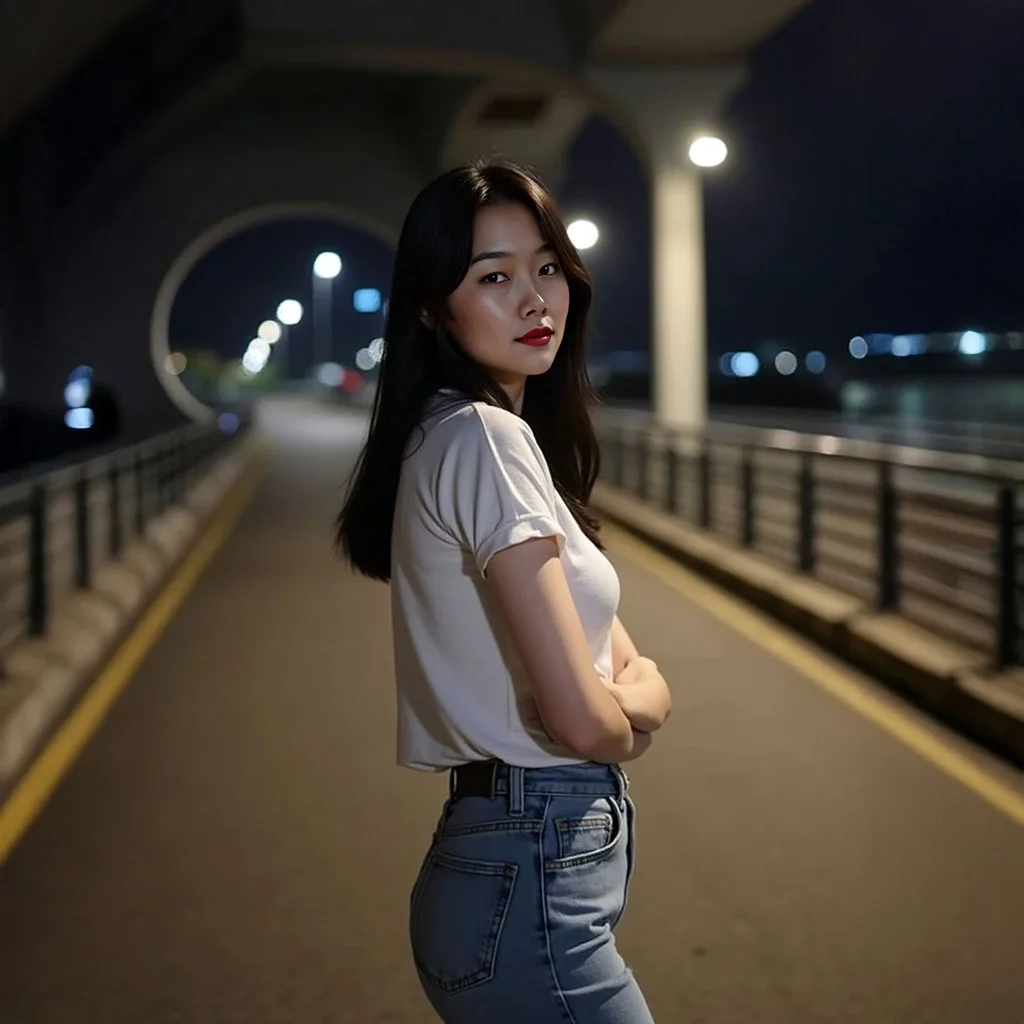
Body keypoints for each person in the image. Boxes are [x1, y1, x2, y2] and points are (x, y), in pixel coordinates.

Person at [335, 160, 672, 1023]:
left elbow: (626, 660)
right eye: (494, 277)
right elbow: (584, 715)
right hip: (531, 878)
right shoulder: (483, 438)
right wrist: (623, 729)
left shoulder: (460, 437)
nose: (536, 300)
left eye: (547, 267)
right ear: (429, 307)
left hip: (511, 872)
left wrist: (623, 703)